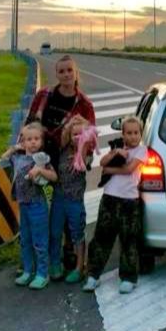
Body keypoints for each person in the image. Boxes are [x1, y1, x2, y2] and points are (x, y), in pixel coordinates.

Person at [26, 55, 96, 272]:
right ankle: (36, 256)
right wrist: (24, 150)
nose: (66, 74)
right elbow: (30, 124)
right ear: (56, 74)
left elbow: (91, 138)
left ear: (76, 73)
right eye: (61, 71)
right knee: (36, 207)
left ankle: (69, 252)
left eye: (69, 70)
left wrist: (82, 156)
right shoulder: (44, 95)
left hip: (65, 163)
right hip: (40, 157)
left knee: (66, 210)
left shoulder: (84, 104)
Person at [82, 115, 147, 295]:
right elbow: (102, 162)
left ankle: (128, 277)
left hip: (129, 200)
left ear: (140, 134)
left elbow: (129, 169)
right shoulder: (118, 148)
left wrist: (110, 169)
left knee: (129, 239)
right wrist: (114, 153)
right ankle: (93, 274)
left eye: (136, 133)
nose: (132, 136)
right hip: (109, 197)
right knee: (102, 237)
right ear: (123, 134)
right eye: (129, 133)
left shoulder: (142, 151)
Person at [1, 123, 59, 290]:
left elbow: (54, 177)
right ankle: (28, 270)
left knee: (40, 240)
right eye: (29, 139)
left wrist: (40, 171)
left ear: (41, 141)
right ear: (23, 141)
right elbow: (2, 160)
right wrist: (14, 148)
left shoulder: (42, 159)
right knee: (25, 239)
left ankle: (42, 273)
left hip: (37, 205)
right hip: (23, 205)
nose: (33, 142)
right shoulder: (18, 158)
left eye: (36, 139)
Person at [49, 115, 95, 283]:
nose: (77, 137)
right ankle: (55, 263)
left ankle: (79, 267)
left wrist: (84, 144)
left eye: (81, 134)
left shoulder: (86, 153)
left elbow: (82, 164)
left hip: (74, 200)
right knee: (55, 232)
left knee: (77, 233)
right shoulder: (62, 151)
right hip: (58, 198)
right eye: (74, 134)